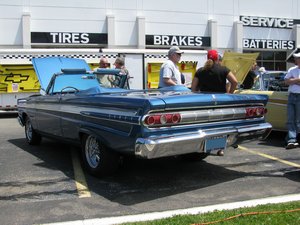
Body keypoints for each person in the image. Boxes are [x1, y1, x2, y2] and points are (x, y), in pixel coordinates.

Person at [284, 52, 300, 149]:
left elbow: (289, 81)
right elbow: (286, 81)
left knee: (298, 120)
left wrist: (293, 80)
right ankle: (291, 140)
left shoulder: (292, 71)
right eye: (296, 58)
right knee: (290, 119)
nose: (296, 60)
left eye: (298, 58)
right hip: (291, 95)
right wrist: (297, 80)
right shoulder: (291, 69)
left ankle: (294, 139)